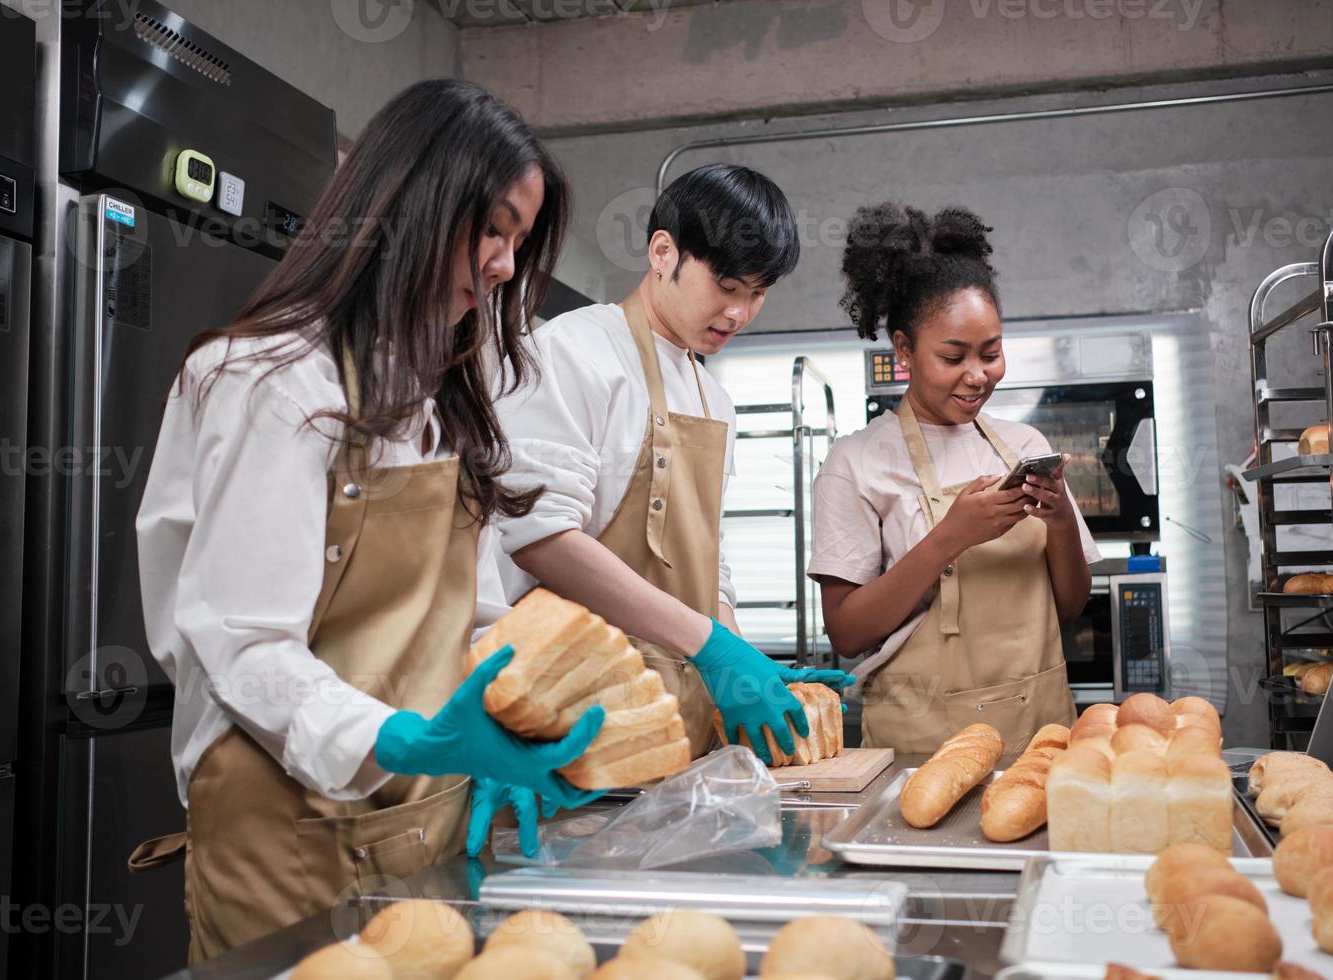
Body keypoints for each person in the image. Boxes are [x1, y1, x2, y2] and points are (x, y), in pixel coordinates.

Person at [130, 80, 602, 962]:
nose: (505, 265)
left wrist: (513, 711)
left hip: (421, 813)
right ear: (413, 203)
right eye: (494, 229)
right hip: (285, 827)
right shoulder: (270, 381)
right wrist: (392, 736)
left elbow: (469, 611)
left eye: (519, 241)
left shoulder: (437, 401)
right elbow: (244, 644)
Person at [486, 164, 852, 765]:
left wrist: (738, 658)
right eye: (728, 286)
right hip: (570, 714)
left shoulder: (715, 398)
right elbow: (540, 537)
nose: (739, 313)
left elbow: (708, 556)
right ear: (663, 252)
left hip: (676, 723)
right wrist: (709, 646)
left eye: (758, 293)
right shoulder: (572, 353)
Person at [808, 204, 1100, 764]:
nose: (978, 375)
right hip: (922, 749)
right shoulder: (857, 461)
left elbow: (1070, 605)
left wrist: (1060, 517)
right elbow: (847, 632)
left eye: (991, 353)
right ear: (903, 351)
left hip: (1039, 739)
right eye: (953, 356)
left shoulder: (1027, 446)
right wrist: (951, 536)